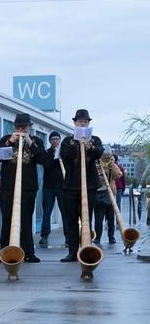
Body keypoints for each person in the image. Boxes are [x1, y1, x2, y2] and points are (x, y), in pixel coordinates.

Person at [0, 113, 45, 263]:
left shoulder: (36, 140)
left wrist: (30, 143)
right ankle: (5, 251)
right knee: (7, 218)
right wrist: (10, 142)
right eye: (18, 126)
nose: (21, 129)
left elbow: (43, 159)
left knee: (26, 219)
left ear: (30, 128)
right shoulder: (5, 139)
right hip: (8, 187)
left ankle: (29, 252)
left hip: (28, 188)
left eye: (24, 127)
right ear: (14, 127)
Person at [59, 109, 104, 262]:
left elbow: (99, 153)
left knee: (87, 218)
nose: (82, 123)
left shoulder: (95, 139)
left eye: (85, 121)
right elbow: (65, 155)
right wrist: (78, 143)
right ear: (75, 123)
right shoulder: (67, 141)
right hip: (71, 186)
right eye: (80, 121)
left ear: (89, 123)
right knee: (71, 220)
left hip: (90, 185)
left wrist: (89, 145)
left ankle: (87, 250)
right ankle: (72, 252)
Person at [40, 130, 66, 248]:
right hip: (48, 187)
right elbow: (47, 165)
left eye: (57, 139)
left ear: (59, 140)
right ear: (49, 141)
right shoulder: (47, 153)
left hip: (62, 187)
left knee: (65, 213)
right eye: (52, 139)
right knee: (47, 212)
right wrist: (55, 156)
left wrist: (60, 155)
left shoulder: (64, 152)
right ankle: (44, 236)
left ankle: (68, 237)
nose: (55, 141)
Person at [94, 150, 121, 246]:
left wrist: (112, 164)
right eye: (105, 157)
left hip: (110, 194)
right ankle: (97, 238)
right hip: (99, 193)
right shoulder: (96, 164)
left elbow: (119, 175)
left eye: (109, 157)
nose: (107, 159)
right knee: (99, 218)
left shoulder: (112, 165)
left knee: (110, 218)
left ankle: (111, 237)